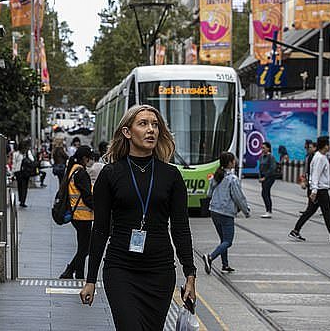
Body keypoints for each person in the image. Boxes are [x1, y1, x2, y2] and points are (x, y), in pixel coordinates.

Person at [79, 105, 196, 331]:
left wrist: (190, 274)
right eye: (143, 124)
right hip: (121, 269)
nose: (151, 129)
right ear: (127, 132)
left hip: (160, 272)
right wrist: (90, 280)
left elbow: (180, 228)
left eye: (155, 125)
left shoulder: (171, 175)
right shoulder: (110, 174)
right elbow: (100, 229)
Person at [289, 136, 330, 244]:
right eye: (328, 144)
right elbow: (315, 174)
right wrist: (314, 191)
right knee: (327, 212)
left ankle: (296, 230)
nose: (329, 146)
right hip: (320, 190)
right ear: (325, 146)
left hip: (318, 189)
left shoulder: (319, 156)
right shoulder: (320, 158)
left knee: (310, 211)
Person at [202, 152, 249, 274]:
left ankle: (225, 265)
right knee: (228, 241)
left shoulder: (216, 176)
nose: (235, 162)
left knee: (223, 239)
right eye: (233, 160)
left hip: (214, 211)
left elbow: (209, 194)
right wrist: (246, 211)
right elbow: (239, 197)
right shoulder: (232, 179)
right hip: (226, 212)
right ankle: (210, 257)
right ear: (230, 162)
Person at [59, 146, 95, 279]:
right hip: (82, 216)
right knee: (85, 248)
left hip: (77, 215)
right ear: (84, 158)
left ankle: (74, 272)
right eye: (89, 158)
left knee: (84, 247)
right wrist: (97, 207)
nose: (90, 161)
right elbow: (87, 196)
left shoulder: (73, 170)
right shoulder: (81, 173)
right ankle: (73, 272)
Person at [12, 140, 35, 207]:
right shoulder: (27, 153)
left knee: (20, 186)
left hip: (18, 172)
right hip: (25, 172)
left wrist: (13, 173)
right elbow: (32, 160)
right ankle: (22, 201)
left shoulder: (16, 153)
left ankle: (21, 200)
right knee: (24, 186)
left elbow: (14, 163)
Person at [258, 142, 277, 218]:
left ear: (268, 148)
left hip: (269, 177)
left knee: (265, 193)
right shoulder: (262, 156)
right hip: (263, 177)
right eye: (262, 147)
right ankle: (268, 210)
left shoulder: (270, 157)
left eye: (264, 148)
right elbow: (260, 167)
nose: (262, 149)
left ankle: (268, 211)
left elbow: (272, 168)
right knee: (265, 193)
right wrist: (260, 177)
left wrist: (265, 177)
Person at [299, 140, 317, 213]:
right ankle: (309, 209)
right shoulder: (308, 156)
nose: (307, 148)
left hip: (314, 180)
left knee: (316, 196)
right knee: (309, 194)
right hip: (309, 178)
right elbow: (306, 168)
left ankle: (309, 210)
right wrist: (304, 178)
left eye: (310, 147)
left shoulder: (316, 157)